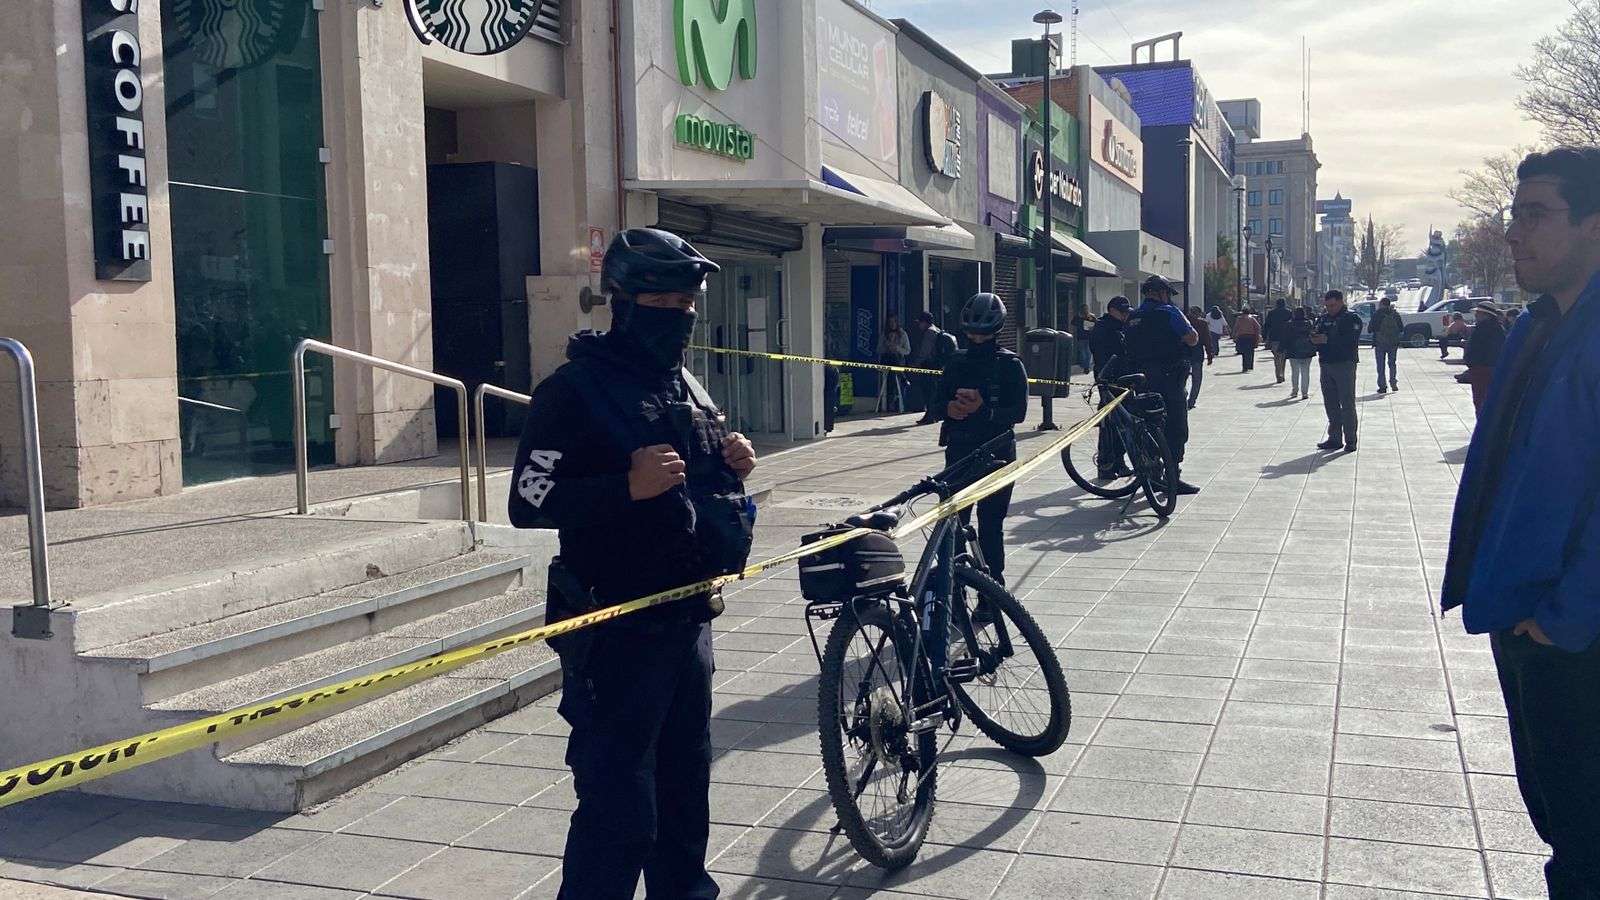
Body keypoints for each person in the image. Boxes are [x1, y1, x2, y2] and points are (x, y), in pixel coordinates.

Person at [508, 228, 758, 900]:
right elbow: (527, 501)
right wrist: (625, 486)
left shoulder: (687, 384)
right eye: (661, 301)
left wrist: (732, 462)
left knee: (685, 799)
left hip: (688, 624)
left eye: (687, 303)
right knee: (620, 815)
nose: (677, 315)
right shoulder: (574, 391)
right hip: (614, 632)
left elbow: (699, 489)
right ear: (621, 301)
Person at [1442, 146, 1600, 900]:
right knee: (1559, 815)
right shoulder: (1538, 324)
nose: (1513, 233)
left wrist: (1565, 617)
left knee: (1586, 836)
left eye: (1536, 215)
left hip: (1574, 631)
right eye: (1515, 215)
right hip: (1526, 614)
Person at [929, 293, 1029, 584]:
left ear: (996, 331)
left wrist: (984, 410)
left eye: (983, 336)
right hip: (959, 451)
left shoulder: (1010, 364)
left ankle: (992, 590)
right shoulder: (956, 362)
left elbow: (1019, 413)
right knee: (953, 524)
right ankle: (953, 589)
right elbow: (935, 403)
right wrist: (948, 408)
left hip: (997, 453)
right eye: (972, 335)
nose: (977, 341)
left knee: (990, 526)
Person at [1126, 276, 1201, 494]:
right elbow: (1192, 338)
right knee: (1175, 426)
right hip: (1169, 378)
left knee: (1147, 424)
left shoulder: (1132, 317)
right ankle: (1172, 477)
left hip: (1141, 379)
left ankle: (1152, 473)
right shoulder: (1169, 312)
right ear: (1162, 293)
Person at [1312, 289, 1363, 451]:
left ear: (1341, 302)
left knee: (1347, 403)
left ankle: (1350, 440)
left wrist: (1328, 339)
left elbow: (1351, 339)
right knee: (1331, 403)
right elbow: (1315, 333)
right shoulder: (1323, 318)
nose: (1330, 309)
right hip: (1326, 363)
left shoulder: (1351, 318)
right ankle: (1334, 438)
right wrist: (1314, 338)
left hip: (1344, 364)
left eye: (1333, 305)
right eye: (1327, 306)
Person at [1088, 296, 1133, 478]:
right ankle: (1106, 464)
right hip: (1110, 380)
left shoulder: (1121, 327)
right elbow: (1103, 356)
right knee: (1110, 424)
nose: (1125, 314)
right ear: (1112, 310)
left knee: (1122, 424)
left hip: (1123, 380)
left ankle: (1119, 462)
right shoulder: (1103, 328)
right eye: (1122, 311)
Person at [1457, 300, 1508, 412]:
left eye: (1478, 313)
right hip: (1482, 368)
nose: (1476, 315)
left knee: (1481, 400)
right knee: (1482, 400)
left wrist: (1473, 361)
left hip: (1483, 368)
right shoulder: (1492, 328)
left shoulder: (1486, 329)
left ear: (1486, 315)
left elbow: (1487, 350)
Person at [910, 311, 958, 423]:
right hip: (937, 366)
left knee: (928, 392)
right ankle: (932, 415)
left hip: (929, 365)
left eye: (920, 322)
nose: (919, 325)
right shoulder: (937, 330)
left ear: (925, 322)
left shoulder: (929, 333)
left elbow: (925, 352)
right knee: (933, 392)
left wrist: (916, 364)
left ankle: (930, 416)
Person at [1368, 296, 1405, 394]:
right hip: (1393, 343)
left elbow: (1370, 329)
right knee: (1392, 364)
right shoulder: (1395, 314)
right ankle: (1393, 382)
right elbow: (1401, 328)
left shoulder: (1377, 314)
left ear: (1381, 304)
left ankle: (1382, 386)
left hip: (1380, 343)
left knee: (1381, 365)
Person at [879, 314, 911, 413]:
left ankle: (894, 402)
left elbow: (908, 350)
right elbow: (878, 349)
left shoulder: (903, 334)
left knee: (893, 370)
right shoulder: (884, 334)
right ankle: (903, 378)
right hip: (887, 360)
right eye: (890, 322)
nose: (892, 324)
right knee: (891, 360)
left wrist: (897, 348)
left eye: (894, 322)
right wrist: (887, 347)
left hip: (898, 360)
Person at [1284, 306, 1316, 400]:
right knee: (1305, 372)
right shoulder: (1309, 323)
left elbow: (1286, 338)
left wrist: (1284, 349)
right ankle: (1304, 393)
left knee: (1295, 372)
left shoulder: (1289, 324)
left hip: (1293, 350)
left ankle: (1295, 391)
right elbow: (1313, 334)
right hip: (1307, 350)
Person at [1184, 305, 1208, 409]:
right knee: (1197, 379)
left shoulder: (1183, 322)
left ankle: (1182, 398)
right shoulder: (1202, 323)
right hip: (1197, 353)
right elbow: (1207, 339)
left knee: (1182, 378)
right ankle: (1192, 401)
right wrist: (1210, 353)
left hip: (1184, 353)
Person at [1264, 299, 1292, 384]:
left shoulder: (1271, 313)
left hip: (1274, 337)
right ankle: (1282, 373)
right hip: (1285, 338)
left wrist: (1265, 336)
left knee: (1277, 357)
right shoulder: (1289, 312)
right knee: (1283, 357)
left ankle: (1278, 375)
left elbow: (1267, 325)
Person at [1232, 307, 1262, 372]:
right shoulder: (1252, 318)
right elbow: (1258, 327)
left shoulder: (1239, 319)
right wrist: (1257, 335)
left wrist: (1234, 335)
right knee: (1250, 352)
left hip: (1242, 337)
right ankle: (1250, 365)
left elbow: (1236, 327)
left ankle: (1245, 366)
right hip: (1251, 337)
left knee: (1244, 352)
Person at [1070, 307, 1095, 373]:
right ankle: (1086, 366)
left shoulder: (1078, 317)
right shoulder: (1090, 316)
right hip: (1088, 337)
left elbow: (1072, 324)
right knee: (1088, 352)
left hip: (1081, 337)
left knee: (1083, 352)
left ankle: (1085, 366)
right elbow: (1095, 324)